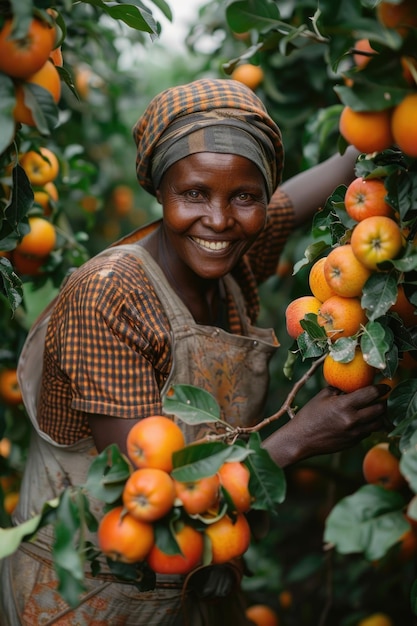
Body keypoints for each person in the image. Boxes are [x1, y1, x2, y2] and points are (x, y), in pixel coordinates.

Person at [0, 78, 387, 626]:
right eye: (194, 193)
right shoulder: (111, 294)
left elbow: (296, 198)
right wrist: (299, 438)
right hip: (92, 598)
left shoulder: (233, 256)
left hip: (194, 586)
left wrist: (376, 131)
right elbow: (150, 494)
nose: (220, 220)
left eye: (245, 196)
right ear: (160, 191)